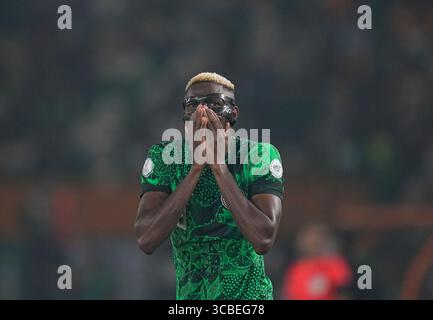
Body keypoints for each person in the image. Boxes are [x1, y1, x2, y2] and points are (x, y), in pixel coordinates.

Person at [134, 72, 284, 299]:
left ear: (233, 113)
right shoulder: (165, 157)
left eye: (214, 104)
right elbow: (146, 239)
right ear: (185, 114)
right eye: (193, 105)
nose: (202, 112)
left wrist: (218, 165)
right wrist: (195, 168)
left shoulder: (258, 155)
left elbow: (263, 239)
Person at [282, 223, 353, 300]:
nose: (314, 241)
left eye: (317, 236)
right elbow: (289, 294)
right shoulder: (296, 269)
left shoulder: (335, 263)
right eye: (309, 237)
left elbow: (345, 292)